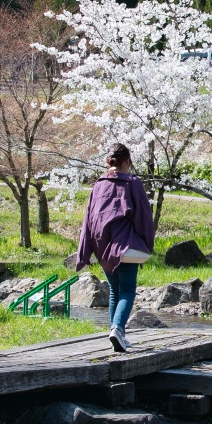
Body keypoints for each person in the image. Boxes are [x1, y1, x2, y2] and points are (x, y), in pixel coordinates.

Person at [75, 143, 155, 352]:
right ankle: (118, 329)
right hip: (125, 245)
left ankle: (117, 335)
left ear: (107, 162)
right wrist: (147, 241)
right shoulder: (132, 182)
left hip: (102, 245)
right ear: (127, 161)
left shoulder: (98, 185)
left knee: (114, 291)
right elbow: (143, 216)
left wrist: (87, 249)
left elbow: (89, 218)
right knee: (127, 290)